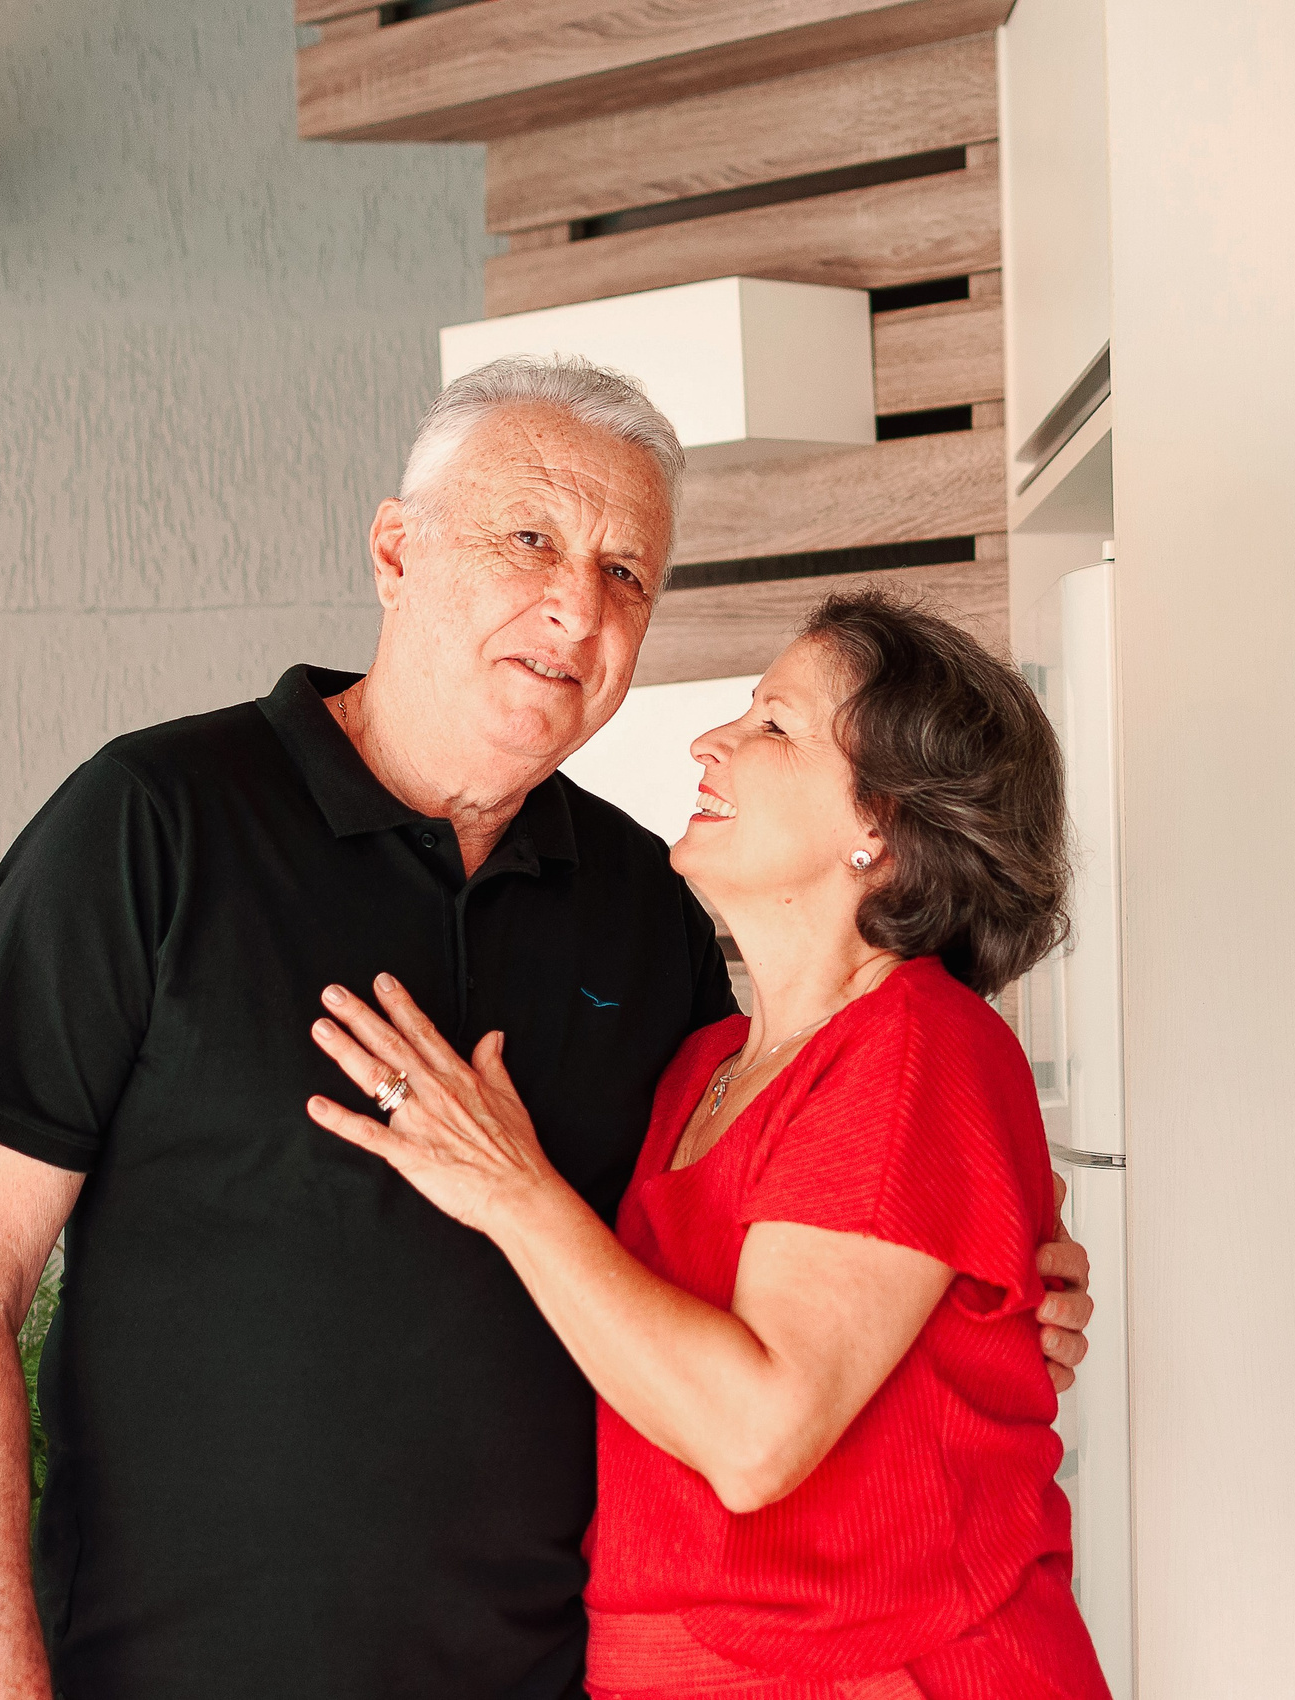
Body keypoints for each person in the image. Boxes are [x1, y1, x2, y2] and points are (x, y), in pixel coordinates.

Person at [0, 357, 1094, 1700]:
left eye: (626, 573)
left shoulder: (648, 907)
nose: (578, 605)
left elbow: (781, 1209)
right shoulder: (151, 823)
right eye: (529, 538)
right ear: (397, 551)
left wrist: (984, 1288)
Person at [305, 591, 1110, 1699]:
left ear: (883, 824)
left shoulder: (917, 1043)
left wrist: (508, 1188)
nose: (710, 742)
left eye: (774, 724)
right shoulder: (702, 1066)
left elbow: (753, 1437)